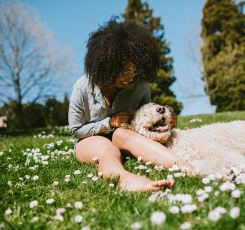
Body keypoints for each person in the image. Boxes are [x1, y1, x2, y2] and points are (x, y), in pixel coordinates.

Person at [68, 19, 194, 192]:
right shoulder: (82, 87)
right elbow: (76, 130)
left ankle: (188, 168)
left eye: (133, 73)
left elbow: (146, 116)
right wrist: (109, 123)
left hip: (124, 134)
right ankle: (126, 180)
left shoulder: (140, 85)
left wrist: (165, 121)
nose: (129, 78)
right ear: (107, 66)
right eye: (123, 73)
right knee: (107, 149)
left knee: (122, 134)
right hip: (89, 141)